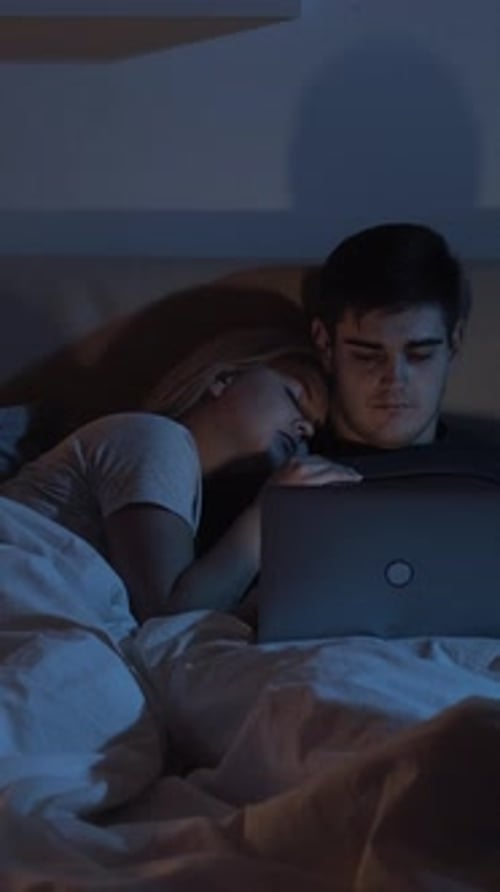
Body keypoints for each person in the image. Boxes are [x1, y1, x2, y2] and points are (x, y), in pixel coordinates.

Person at [0, 327, 361, 623]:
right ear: (224, 378)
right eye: (295, 397)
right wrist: (269, 512)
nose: (306, 430)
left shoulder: (185, 495)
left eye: (314, 428)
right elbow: (170, 620)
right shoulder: (153, 437)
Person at [305, 222, 472, 459]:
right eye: (367, 356)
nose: (395, 379)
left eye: (419, 355)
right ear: (325, 345)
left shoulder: (488, 479)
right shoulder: (276, 479)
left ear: (453, 346)